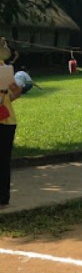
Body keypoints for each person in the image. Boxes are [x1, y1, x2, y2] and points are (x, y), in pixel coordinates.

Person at [0, 78, 22, 209]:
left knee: (3, 161)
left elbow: (11, 98)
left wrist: (16, 91)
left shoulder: (3, 68)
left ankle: (3, 199)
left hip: (7, 122)